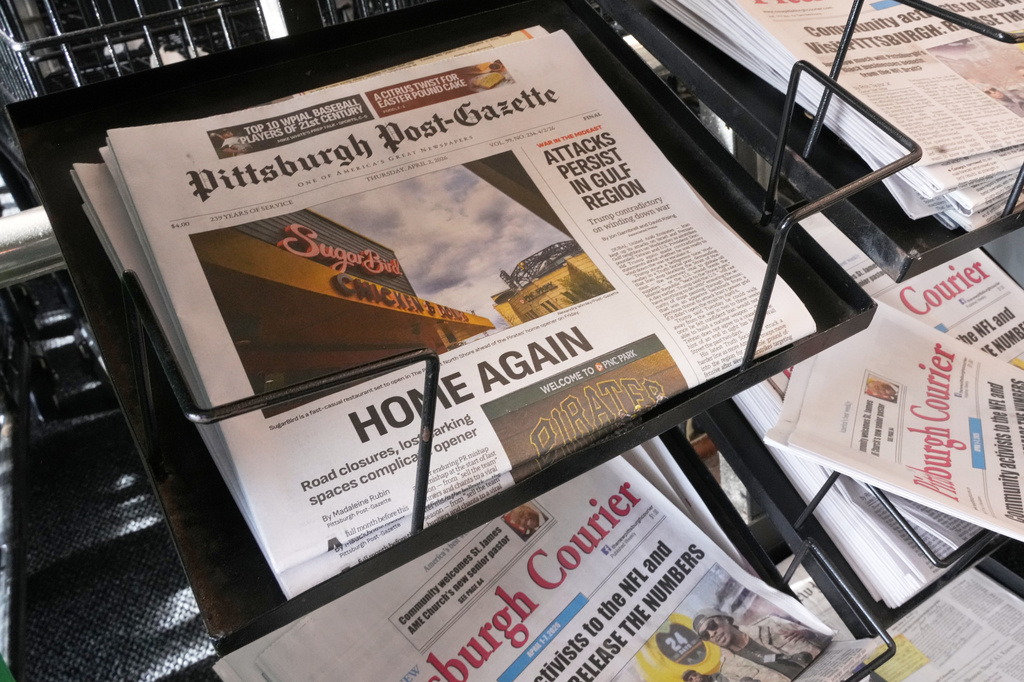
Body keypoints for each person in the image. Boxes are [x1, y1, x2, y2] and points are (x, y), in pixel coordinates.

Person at [691, 611, 830, 682]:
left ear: (725, 619)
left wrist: (808, 633)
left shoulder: (770, 623)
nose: (712, 633)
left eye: (711, 625)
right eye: (705, 635)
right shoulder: (728, 670)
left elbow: (828, 638)